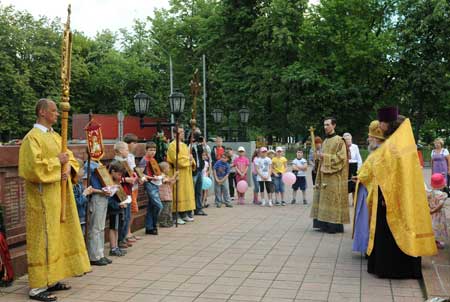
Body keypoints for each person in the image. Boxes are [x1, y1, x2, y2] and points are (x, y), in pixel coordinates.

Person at [18, 98, 91, 302]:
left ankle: (52, 278)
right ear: (42, 112)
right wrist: (56, 163)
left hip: (59, 196)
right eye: (53, 110)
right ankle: (37, 286)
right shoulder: (32, 139)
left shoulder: (57, 136)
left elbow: (69, 157)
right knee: (44, 240)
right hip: (42, 200)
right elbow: (31, 168)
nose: (57, 114)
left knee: (57, 237)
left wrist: (69, 167)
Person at [361, 107, 437, 279]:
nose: (379, 125)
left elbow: (392, 171)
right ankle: (384, 266)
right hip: (387, 193)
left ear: (390, 124)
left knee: (392, 231)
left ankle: (393, 269)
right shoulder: (395, 142)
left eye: (382, 122)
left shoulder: (396, 145)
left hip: (392, 196)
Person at [310, 117, 349, 233]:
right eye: (324, 125)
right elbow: (322, 158)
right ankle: (323, 224)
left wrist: (324, 157)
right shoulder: (325, 141)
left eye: (328, 125)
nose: (325, 127)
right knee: (323, 199)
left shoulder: (339, 140)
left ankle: (334, 226)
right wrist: (318, 158)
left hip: (334, 176)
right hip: (323, 175)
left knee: (332, 200)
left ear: (334, 125)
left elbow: (342, 158)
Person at [352, 120, 385, 253]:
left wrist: (360, 178)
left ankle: (367, 246)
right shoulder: (375, 152)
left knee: (367, 220)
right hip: (366, 188)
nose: (368, 138)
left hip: (371, 191)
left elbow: (373, 172)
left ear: (377, 138)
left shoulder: (379, 153)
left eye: (371, 137)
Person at [167, 127, 196, 223]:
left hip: (186, 173)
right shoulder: (172, 145)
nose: (183, 133)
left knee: (186, 192)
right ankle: (176, 216)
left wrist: (191, 159)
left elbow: (188, 157)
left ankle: (184, 214)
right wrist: (188, 159)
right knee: (178, 193)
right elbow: (177, 159)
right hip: (178, 172)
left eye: (183, 131)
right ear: (175, 134)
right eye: (181, 132)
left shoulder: (184, 145)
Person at [113, 142, 136, 248]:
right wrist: (125, 179)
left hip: (128, 191)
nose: (128, 151)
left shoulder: (125, 162)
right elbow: (112, 178)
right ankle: (120, 240)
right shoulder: (115, 162)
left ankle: (123, 237)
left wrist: (134, 177)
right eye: (126, 149)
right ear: (120, 151)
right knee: (122, 217)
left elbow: (131, 173)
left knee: (127, 216)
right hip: (121, 192)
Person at [139, 141, 164, 233]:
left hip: (155, 183)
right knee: (158, 205)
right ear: (146, 150)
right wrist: (151, 177)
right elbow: (140, 174)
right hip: (149, 183)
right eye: (150, 150)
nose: (153, 152)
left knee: (151, 206)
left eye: (154, 150)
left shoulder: (153, 159)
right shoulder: (144, 160)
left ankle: (150, 227)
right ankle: (154, 223)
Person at [107, 161, 129, 257]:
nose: (120, 176)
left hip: (119, 208)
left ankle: (116, 246)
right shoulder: (109, 183)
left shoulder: (117, 182)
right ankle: (113, 248)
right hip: (114, 209)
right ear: (112, 172)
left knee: (117, 228)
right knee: (113, 228)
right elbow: (109, 199)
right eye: (119, 174)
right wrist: (118, 205)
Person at [123, 133, 141, 243]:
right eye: (133, 143)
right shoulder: (123, 158)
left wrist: (139, 176)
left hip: (134, 185)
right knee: (131, 209)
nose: (135, 145)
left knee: (133, 210)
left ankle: (129, 231)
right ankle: (127, 232)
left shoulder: (131, 156)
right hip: (128, 186)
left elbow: (134, 170)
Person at [72, 158, 93, 234]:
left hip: (83, 216)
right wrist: (85, 194)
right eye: (82, 169)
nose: (84, 171)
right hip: (77, 217)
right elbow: (77, 202)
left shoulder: (80, 184)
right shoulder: (73, 186)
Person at [428, 173, 448, 249]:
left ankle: (432, 241)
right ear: (442, 185)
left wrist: (430, 209)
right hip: (438, 214)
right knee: (438, 227)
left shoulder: (430, 193)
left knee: (432, 226)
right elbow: (440, 205)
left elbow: (427, 202)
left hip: (431, 214)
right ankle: (436, 242)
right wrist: (433, 210)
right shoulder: (442, 195)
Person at [191, 131, 207, 216]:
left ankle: (199, 209)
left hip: (200, 169)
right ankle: (191, 209)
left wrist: (203, 144)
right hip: (193, 171)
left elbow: (206, 152)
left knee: (199, 190)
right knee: (192, 190)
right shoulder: (189, 146)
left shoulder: (199, 146)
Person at [343, 132, 362, 200]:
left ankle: (354, 201)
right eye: (346, 139)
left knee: (354, 185)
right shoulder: (342, 148)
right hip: (346, 167)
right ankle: (345, 202)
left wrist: (359, 169)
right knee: (346, 185)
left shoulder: (355, 146)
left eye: (349, 139)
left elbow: (359, 159)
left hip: (354, 167)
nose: (348, 140)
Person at [158, 162, 178, 227]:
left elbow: (170, 182)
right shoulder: (161, 176)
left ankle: (169, 221)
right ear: (164, 169)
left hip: (169, 196)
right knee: (165, 210)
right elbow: (166, 180)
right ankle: (163, 222)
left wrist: (175, 180)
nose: (169, 169)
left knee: (169, 210)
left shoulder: (167, 176)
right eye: (168, 168)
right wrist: (174, 175)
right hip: (164, 197)